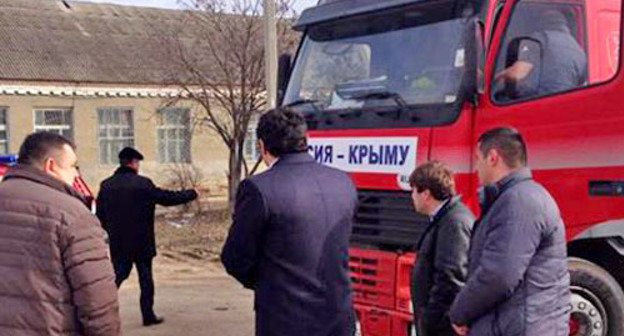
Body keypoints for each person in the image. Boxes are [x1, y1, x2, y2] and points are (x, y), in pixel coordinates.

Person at [221, 108, 358, 336]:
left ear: (263, 146)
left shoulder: (258, 188)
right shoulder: (342, 182)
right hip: (339, 317)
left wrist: (270, 282)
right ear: (305, 140)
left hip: (285, 320)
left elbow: (235, 258)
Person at [449, 127, 570, 336]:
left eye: (478, 158)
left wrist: (460, 312)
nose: (476, 167)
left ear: (493, 157)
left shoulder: (517, 201)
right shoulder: (519, 197)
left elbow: (498, 275)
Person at [0, 132, 120, 335]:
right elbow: (96, 298)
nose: (76, 175)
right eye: (73, 166)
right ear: (51, 166)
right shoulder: (73, 214)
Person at [96, 147, 198, 326]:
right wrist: (191, 193)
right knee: (145, 279)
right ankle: (148, 315)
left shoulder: (106, 185)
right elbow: (167, 198)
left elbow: (100, 216)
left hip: (119, 242)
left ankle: (100, 311)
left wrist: (113, 230)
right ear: (134, 163)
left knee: (117, 276)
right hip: (142, 241)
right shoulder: (143, 184)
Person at [409, 161, 474, 336]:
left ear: (426, 194)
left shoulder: (453, 222)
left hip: (442, 328)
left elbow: (450, 278)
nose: (411, 196)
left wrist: (429, 321)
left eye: (413, 190)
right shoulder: (444, 219)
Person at [495, 9, 587, 99]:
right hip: (563, 106)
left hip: (539, 103)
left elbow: (517, 73)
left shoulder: (539, 39)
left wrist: (495, 78)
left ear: (541, 23)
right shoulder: (579, 51)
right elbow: (580, 85)